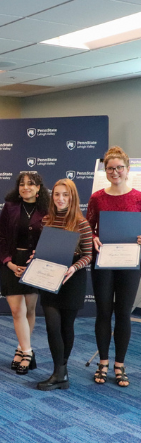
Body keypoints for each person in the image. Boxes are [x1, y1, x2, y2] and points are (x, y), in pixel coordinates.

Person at [87, 146, 141, 387]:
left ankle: (120, 364)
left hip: (130, 262)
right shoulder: (97, 197)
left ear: (128, 170)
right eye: (111, 168)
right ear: (105, 171)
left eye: (120, 167)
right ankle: (103, 362)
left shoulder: (139, 197)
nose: (115, 171)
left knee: (123, 314)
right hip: (104, 262)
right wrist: (93, 238)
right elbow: (87, 228)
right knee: (103, 312)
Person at [37, 179, 92, 391]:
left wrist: (73, 268)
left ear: (73, 197)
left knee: (66, 327)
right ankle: (59, 372)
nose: (60, 199)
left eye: (65, 195)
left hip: (72, 279)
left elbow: (88, 255)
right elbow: (44, 249)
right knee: (52, 326)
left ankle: (61, 373)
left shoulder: (81, 223)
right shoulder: (47, 220)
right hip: (50, 278)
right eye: (57, 194)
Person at [0, 172, 49, 375]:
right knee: (17, 310)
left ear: (38, 188)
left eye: (30, 184)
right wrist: (8, 263)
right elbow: (0, 237)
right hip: (11, 263)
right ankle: (28, 352)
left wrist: (34, 262)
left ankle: (20, 348)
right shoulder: (9, 207)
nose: (25, 187)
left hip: (35, 264)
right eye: (22, 184)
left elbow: (49, 239)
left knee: (30, 310)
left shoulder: (46, 209)